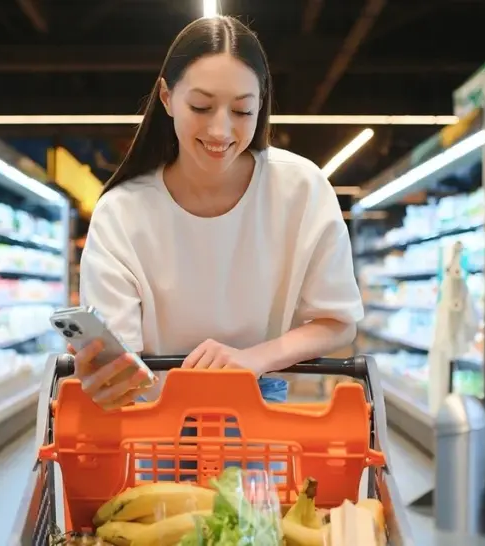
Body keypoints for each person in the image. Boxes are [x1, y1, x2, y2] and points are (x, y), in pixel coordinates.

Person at [73, 15, 365, 411]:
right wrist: (102, 373)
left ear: (261, 103)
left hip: (261, 416)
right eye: (201, 106)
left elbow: (338, 321)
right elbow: (118, 356)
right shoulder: (122, 212)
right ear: (166, 97)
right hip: (152, 421)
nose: (220, 130)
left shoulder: (301, 188)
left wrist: (256, 358)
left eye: (243, 111)